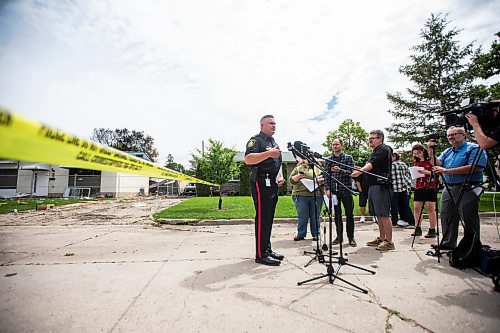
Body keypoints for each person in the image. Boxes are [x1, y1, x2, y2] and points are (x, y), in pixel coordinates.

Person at [429, 126, 487, 250]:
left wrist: (446, 170)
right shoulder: (448, 151)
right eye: (449, 135)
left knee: (468, 217)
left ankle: (472, 247)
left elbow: (474, 167)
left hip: (467, 187)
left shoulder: (474, 148)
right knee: (446, 215)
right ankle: (448, 243)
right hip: (449, 187)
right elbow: (436, 164)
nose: (451, 137)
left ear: (463, 135)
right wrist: (430, 150)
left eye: (454, 134)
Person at [244, 115, 285, 266]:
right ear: (262, 125)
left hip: (272, 184)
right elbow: (248, 159)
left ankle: (267, 250)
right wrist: (268, 153)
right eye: (271, 123)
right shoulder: (256, 140)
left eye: (275, 123)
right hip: (260, 183)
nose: (274, 125)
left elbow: (278, 163)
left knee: (268, 218)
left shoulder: (274, 142)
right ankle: (261, 255)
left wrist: (280, 176)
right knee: (262, 218)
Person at [351, 130, 394, 251]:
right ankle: (381, 238)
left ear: (380, 139)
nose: (370, 140)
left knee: (384, 214)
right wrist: (355, 169)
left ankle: (389, 241)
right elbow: (369, 167)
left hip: (381, 186)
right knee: (378, 214)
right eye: (369, 138)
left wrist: (360, 171)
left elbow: (371, 165)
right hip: (373, 186)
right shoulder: (376, 151)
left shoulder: (383, 149)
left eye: (372, 138)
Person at [324, 139, 356, 247]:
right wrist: (327, 189)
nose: (335, 146)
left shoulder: (348, 158)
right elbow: (325, 175)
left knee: (349, 214)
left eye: (337, 144)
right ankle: (339, 237)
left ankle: (351, 237)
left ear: (342, 145)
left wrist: (340, 170)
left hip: (346, 189)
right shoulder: (328, 159)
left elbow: (352, 172)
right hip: (334, 191)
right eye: (333, 144)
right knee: (337, 215)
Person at [289, 159, 323, 241]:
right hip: (301, 194)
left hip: (316, 194)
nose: (310, 159)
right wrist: (298, 176)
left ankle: (316, 234)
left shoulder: (318, 168)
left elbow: (325, 179)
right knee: (302, 216)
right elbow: (291, 180)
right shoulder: (298, 168)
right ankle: (301, 234)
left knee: (315, 216)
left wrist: (321, 181)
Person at [411, 144, 438, 238]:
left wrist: (426, 172)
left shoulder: (430, 160)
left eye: (419, 153)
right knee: (417, 208)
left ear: (423, 151)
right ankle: (417, 227)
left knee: (430, 208)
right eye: (415, 154)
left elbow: (436, 172)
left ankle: (432, 229)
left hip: (430, 185)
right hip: (419, 186)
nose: (417, 155)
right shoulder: (416, 162)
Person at [390, 152, 415, 228]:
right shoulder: (404, 164)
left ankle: (394, 222)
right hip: (403, 188)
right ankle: (410, 221)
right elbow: (408, 176)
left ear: (394, 156)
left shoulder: (391, 165)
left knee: (394, 206)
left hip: (394, 188)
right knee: (405, 206)